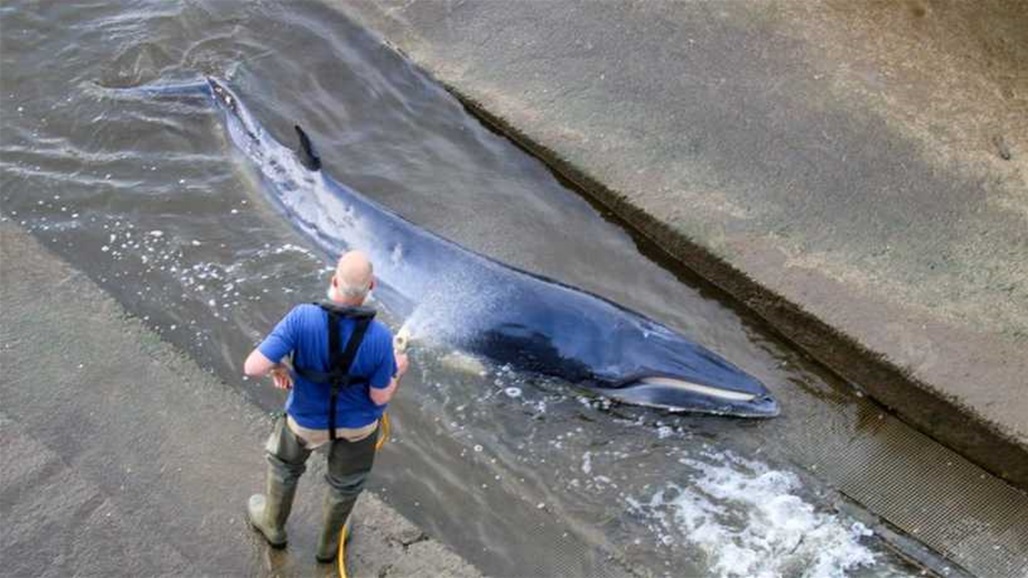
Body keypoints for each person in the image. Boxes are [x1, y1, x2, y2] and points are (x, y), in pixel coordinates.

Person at [243, 250, 410, 563]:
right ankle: (329, 546)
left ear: (333, 280)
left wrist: (277, 366)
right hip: (358, 428)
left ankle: (273, 526)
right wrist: (397, 371)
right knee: (346, 485)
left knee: (284, 466)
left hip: (305, 421)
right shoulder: (380, 337)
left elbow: (252, 366)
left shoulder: (301, 318)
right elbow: (379, 398)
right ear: (372, 285)